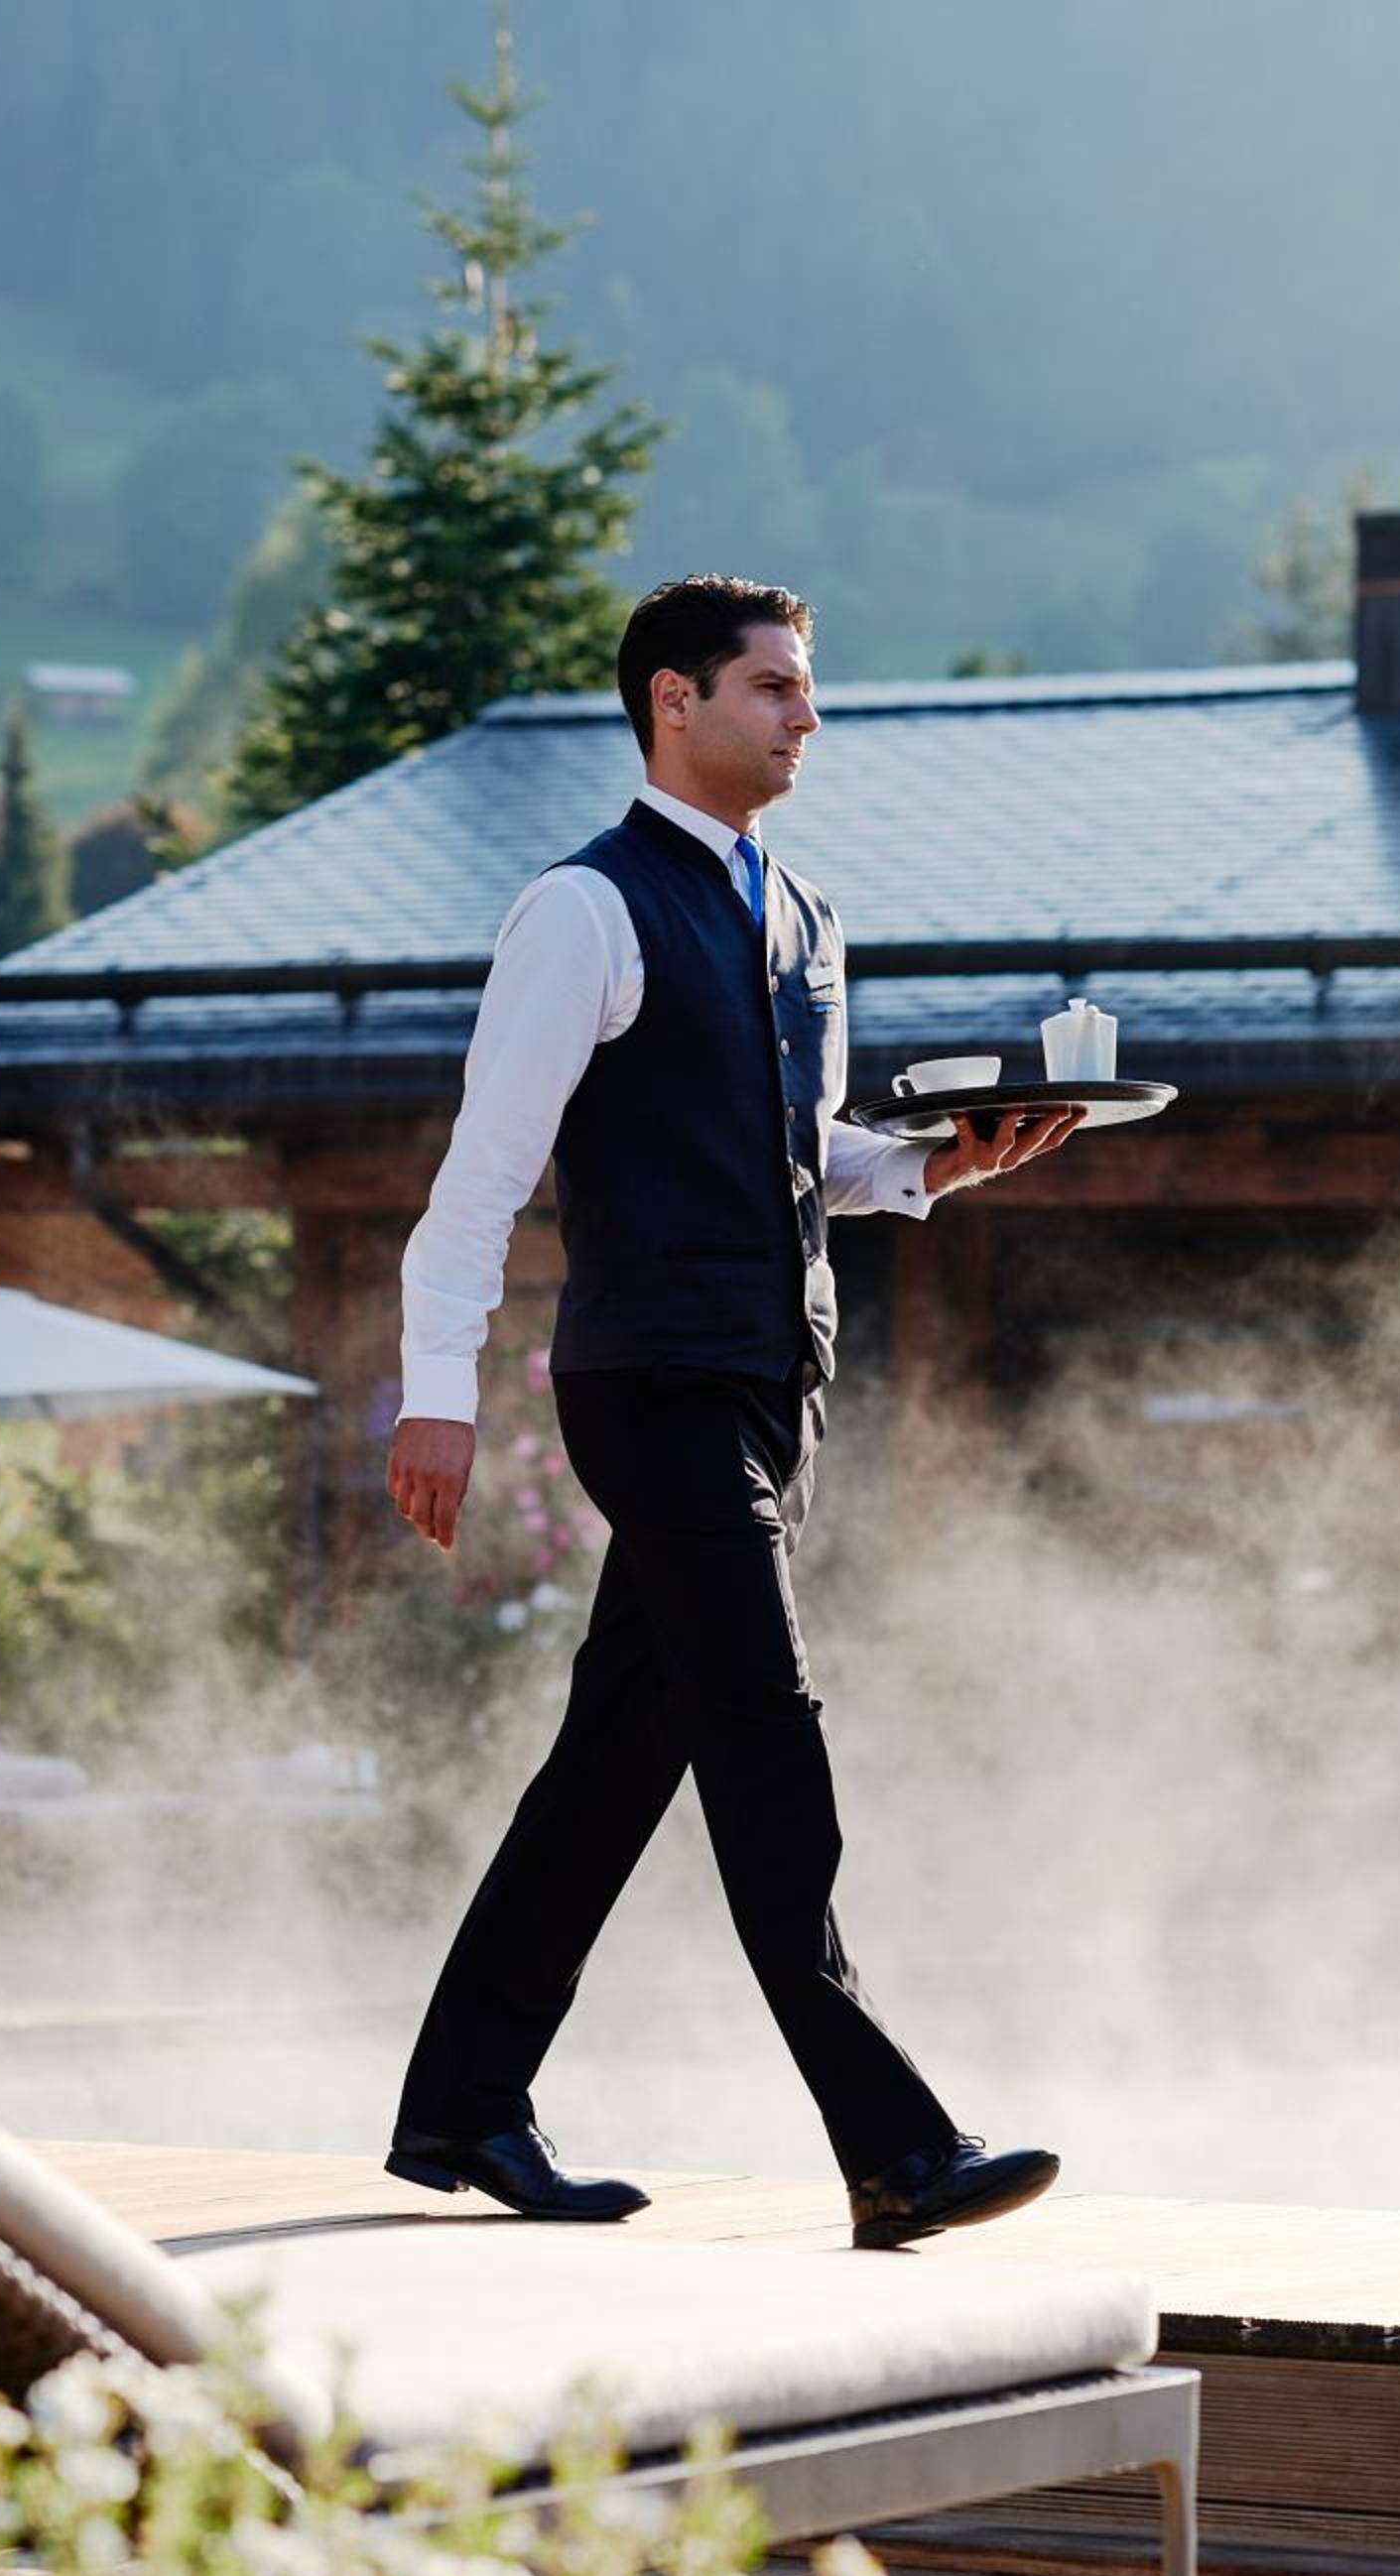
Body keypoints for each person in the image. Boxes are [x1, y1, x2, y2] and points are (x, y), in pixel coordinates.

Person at [382, 573, 1082, 2246]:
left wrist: (938, 1166)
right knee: (768, 1730)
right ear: (673, 701)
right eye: (773, 685)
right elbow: (483, 1175)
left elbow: (797, 1158)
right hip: (654, 1384)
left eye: (806, 687)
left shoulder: (808, 918)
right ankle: (893, 2148)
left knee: (617, 1761)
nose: (805, 714)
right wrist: (436, 1396)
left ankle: (466, 2107)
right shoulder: (583, 912)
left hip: (775, 1386)